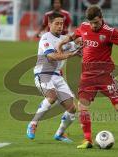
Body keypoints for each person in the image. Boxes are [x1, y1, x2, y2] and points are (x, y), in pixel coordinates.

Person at [58, 5, 118, 149]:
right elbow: (74, 35)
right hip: (87, 76)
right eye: (91, 22)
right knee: (82, 107)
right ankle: (88, 140)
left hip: (105, 76)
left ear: (102, 18)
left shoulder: (110, 32)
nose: (93, 26)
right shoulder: (85, 26)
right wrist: (63, 41)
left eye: (96, 22)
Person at [26, 12, 82, 143]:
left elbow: (78, 45)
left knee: (72, 108)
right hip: (43, 74)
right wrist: (71, 54)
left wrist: (82, 43)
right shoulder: (46, 38)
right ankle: (33, 124)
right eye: (56, 23)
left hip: (57, 76)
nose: (59, 26)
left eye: (61, 23)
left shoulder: (64, 40)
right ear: (49, 24)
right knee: (52, 96)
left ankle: (59, 134)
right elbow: (51, 56)